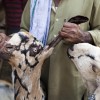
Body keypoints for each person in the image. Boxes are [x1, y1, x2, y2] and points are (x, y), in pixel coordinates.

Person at [14, 0, 100, 100]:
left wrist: (85, 36)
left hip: (74, 85)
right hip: (36, 83)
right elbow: (24, 30)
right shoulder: (35, 1)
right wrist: (11, 43)